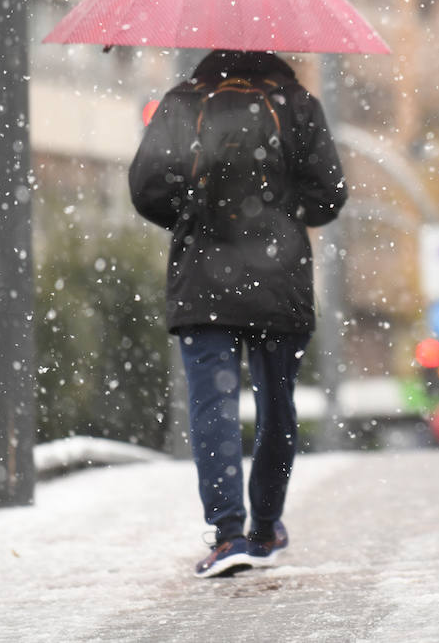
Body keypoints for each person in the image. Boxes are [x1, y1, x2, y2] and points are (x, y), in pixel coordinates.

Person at [128, 49, 346, 578]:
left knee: (213, 406)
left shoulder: (182, 103)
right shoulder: (296, 105)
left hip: (203, 283)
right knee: (277, 405)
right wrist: (282, 210)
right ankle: (266, 525)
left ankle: (228, 535)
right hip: (280, 279)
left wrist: (194, 214)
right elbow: (329, 197)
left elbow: (146, 191)